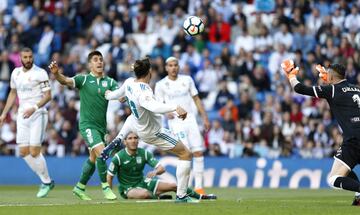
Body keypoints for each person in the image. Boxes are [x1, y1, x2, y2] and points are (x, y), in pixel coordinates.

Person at [102, 58, 195, 203]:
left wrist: (108, 94)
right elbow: (154, 107)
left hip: (137, 125)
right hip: (153, 132)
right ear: (149, 72)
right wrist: (175, 107)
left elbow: (112, 95)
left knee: (131, 118)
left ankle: (119, 138)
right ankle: (181, 196)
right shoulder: (144, 92)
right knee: (186, 154)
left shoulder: (128, 83)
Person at [281, 59, 360, 206]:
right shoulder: (356, 89)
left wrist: (291, 75)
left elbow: (299, 88)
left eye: (328, 75)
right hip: (354, 137)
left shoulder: (332, 90)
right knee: (345, 167)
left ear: (331, 77)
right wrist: (329, 80)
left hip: (353, 139)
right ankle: (358, 196)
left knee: (333, 179)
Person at [48, 51, 117, 201]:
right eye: (96, 60)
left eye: (101, 59)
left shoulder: (110, 82)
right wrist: (57, 74)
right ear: (90, 65)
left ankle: (79, 187)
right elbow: (65, 81)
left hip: (101, 128)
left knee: (93, 158)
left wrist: (125, 96)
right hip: (87, 125)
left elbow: (120, 95)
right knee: (102, 154)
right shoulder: (83, 79)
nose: (99, 62)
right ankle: (105, 187)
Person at [0, 47, 54, 198]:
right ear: (20, 58)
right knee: (23, 152)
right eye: (25, 57)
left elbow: (48, 95)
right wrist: (4, 114)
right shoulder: (15, 73)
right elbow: (12, 92)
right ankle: (47, 181)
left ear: (33, 57)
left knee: (34, 151)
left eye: (30, 57)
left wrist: (34, 107)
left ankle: (46, 182)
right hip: (22, 115)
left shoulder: (40, 73)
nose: (28, 60)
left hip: (38, 113)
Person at [154, 56, 210, 194]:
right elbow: (157, 105)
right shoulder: (160, 85)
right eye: (170, 65)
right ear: (166, 67)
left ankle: (198, 187)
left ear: (178, 67)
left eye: (175, 65)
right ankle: (183, 187)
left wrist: (205, 117)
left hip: (190, 119)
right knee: (185, 153)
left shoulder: (187, 80)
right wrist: (166, 112)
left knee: (198, 152)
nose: (173, 68)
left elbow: (196, 99)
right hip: (176, 121)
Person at [106, 131, 217, 200]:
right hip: (128, 188)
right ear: (125, 142)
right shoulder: (119, 157)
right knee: (144, 194)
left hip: (143, 182)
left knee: (174, 185)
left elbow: (161, 168)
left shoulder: (144, 153)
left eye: (135, 138)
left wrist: (154, 172)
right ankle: (158, 196)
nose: (133, 140)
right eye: (130, 138)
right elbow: (109, 176)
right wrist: (110, 194)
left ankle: (201, 197)